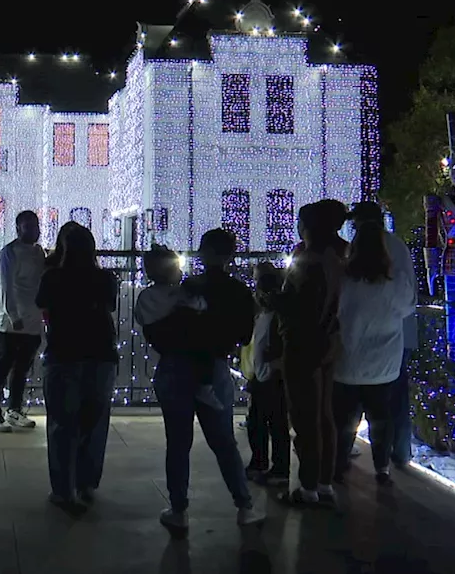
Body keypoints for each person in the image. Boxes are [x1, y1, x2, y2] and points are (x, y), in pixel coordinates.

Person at [140, 234, 264, 533]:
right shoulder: (237, 291)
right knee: (223, 442)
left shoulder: (188, 287)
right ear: (231, 256)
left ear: (202, 253)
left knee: (178, 443)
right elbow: (245, 335)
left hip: (174, 367)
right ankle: (244, 505)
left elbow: (157, 332)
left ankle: (179, 510)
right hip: (215, 366)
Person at [331, 208, 416, 487]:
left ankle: (338, 463)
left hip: (348, 362)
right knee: (382, 417)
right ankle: (382, 468)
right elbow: (407, 308)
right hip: (384, 364)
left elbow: (335, 313)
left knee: (345, 419)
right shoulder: (394, 283)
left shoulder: (343, 280)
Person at [34, 224, 117, 512]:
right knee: (94, 422)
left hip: (64, 352)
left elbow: (41, 303)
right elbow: (110, 305)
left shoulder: (53, 277)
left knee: (62, 423)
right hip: (100, 353)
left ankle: (63, 489)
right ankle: (86, 483)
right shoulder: (105, 278)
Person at [271, 201, 346, 508]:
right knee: (324, 415)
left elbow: (299, 307)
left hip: (304, 344)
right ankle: (324, 483)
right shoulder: (337, 256)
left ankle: (308, 486)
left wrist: (271, 299)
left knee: (304, 416)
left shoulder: (311, 260)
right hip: (328, 341)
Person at [0, 210, 46, 432]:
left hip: (32, 319)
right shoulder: (8, 252)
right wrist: (14, 316)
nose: (34, 230)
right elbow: (6, 287)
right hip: (9, 323)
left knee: (22, 368)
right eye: (28, 226)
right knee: (2, 368)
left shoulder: (39, 252)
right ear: (18, 228)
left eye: (36, 226)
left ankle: (14, 410)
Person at [244, 261, 289, 486]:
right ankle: (261, 462)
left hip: (272, 376)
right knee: (259, 423)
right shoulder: (264, 316)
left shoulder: (276, 318)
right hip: (262, 375)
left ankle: (277, 467)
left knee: (274, 424)